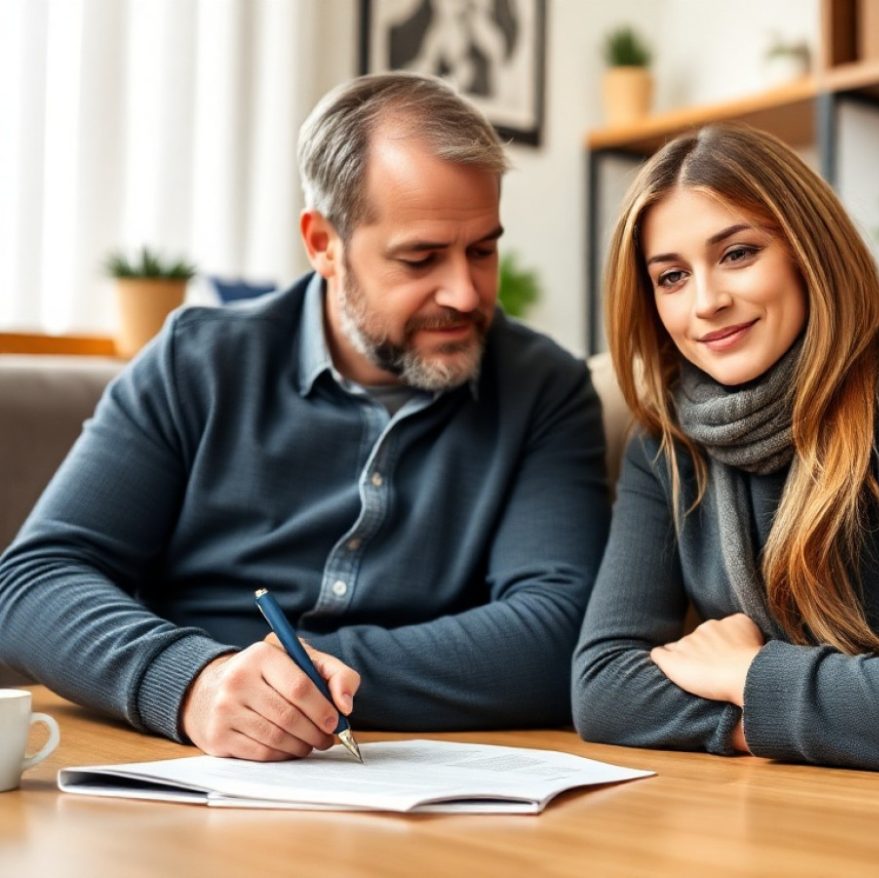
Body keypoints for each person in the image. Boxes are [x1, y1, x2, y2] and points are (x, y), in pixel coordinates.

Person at [0, 72, 610, 761]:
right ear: (323, 242)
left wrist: (290, 682)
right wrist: (196, 681)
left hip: (410, 779)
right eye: (421, 258)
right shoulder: (195, 362)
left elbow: (559, 632)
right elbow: (35, 581)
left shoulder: (545, 389)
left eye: (483, 250)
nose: (466, 293)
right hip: (189, 766)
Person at [572, 123, 879, 783]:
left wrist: (749, 673)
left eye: (737, 254)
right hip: (805, 810)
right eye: (671, 276)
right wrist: (755, 720)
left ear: (807, 249)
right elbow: (604, 687)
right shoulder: (665, 446)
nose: (707, 302)